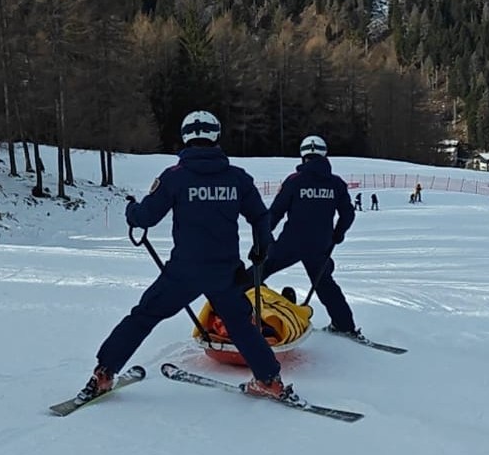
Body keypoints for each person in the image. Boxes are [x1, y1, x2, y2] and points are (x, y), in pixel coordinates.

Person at [78, 110, 296, 402]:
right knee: (241, 324)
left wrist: (131, 210)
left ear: (185, 137)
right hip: (225, 272)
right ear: (216, 136)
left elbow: (146, 217)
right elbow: (260, 216)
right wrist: (261, 247)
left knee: (144, 316)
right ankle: (269, 380)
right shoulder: (237, 178)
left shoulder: (175, 177)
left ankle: (104, 373)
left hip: (184, 272)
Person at [261, 134, 360, 337]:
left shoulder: (294, 181)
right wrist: (337, 234)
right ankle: (344, 326)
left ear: (303, 156)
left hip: (291, 242)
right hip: (320, 243)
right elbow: (348, 213)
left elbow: (276, 212)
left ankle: (231, 310)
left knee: (259, 271)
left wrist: (264, 236)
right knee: (324, 284)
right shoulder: (336, 183)